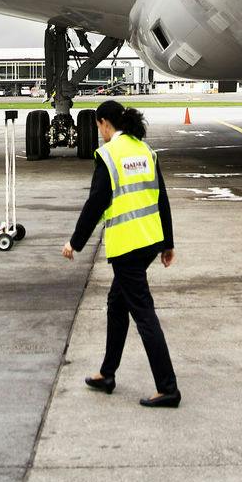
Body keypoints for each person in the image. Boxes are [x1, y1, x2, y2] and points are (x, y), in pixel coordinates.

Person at [62, 99, 179, 407]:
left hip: (127, 246)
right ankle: (107, 373)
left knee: (143, 314)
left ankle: (168, 388)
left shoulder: (110, 155)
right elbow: (161, 198)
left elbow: (95, 204)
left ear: (104, 124)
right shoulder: (144, 150)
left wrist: (75, 242)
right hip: (149, 242)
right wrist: (168, 243)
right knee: (117, 303)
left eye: (98, 126)